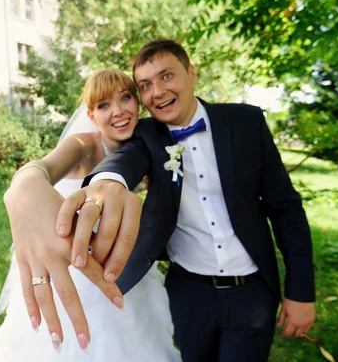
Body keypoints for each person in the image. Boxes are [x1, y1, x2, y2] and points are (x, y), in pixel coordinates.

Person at [51, 39, 316, 361]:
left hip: (253, 290)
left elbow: (286, 208)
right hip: (188, 292)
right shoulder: (144, 135)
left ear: (191, 72)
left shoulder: (246, 122)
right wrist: (108, 181)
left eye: (166, 76)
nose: (157, 92)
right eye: (145, 85)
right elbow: (123, 161)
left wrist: (301, 292)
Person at [0, 69, 181, 361]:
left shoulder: (144, 143)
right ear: (91, 114)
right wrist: (26, 182)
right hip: (74, 257)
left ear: (137, 103)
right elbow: (43, 167)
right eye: (104, 105)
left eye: (125, 98)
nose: (118, 111)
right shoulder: (82, 145)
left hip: (121, 258)